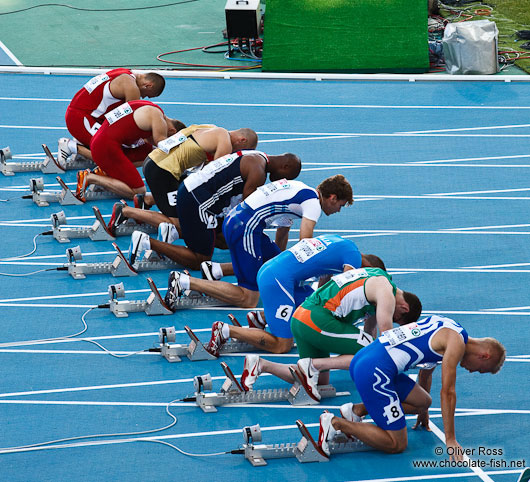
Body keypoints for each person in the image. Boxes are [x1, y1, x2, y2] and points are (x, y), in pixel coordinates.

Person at [315, 315, 505, 461]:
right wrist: (451, 440)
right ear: (485, 356)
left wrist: (423, 412)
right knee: (396, 444)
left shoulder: (452, 328)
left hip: (367, 358)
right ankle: (335, 423)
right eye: (481, 371)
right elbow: (448, 392)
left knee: (423, 402)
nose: (473, 372)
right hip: (374, 372)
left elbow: (426, 373)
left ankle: (356, 410)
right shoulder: (456, 344)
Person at [165, 176, 353, 319]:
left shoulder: (301, 190)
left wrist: (283, 265)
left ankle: (215, 271)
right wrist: (312, 270)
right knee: (249, 298)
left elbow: (282, 232)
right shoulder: (313, 204)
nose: (338, 210)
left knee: (275, 266)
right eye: (341, 205)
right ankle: (184, 282)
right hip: (245, 227)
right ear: (332, 197)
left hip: (241, 221)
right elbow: (306, 241)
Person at [236, 267, 421, 390]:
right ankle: (313, 365)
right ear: (404, 308)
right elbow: (387, 335)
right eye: (397, 319)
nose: (391, 318)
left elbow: (370, 329)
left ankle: (261, 365)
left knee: (319, 382)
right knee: (373, 350)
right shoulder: (386, 292)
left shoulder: (378, 280)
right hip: (316, 319)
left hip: (304, 318)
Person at [128, 150, 302, 268]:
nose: (280, 181)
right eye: (285, 177)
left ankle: (174, 232)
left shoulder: (255, 155)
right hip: (199, 200)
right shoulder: (258, 172)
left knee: (223, 240)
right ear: (284, 167)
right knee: (201, 259)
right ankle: (146, 242)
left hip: (193, 189)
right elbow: (248, 209)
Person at [107, 125, 258, 230]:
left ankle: (147, 199)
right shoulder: (225, 143)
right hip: (162, 171)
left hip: (155, 160)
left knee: (187, 192)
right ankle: (125, 211)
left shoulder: (210, 128)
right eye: (242, 151)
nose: (237, 155)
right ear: (242, 141)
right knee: (180, 221)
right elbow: (217, 174)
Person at [74, 100, 183, 201]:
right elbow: (163, 146)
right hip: (105, 148)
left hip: (101, 141)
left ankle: (105, 172)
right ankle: (90, 178)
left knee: (150, 151)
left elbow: (152, 145)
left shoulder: (150, 108)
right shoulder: (158, 119)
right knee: (139, 192)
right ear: (172, 132)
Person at [59, 69, 165, 163]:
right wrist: (142, 140)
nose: (143, 96)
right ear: (148, 85)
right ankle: (71, 146)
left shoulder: (124, 72)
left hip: (82, 114)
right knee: (114, 154)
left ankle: (84, 144)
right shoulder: (132, 89)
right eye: (147, 95)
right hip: (80, 119)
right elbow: (130, 122)